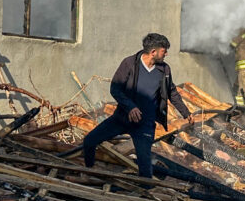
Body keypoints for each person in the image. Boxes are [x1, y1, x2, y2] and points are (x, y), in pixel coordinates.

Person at [79, 32, 191, 175]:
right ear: (153, 52)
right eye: (164, 51)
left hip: (145, 125)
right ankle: (89, 172)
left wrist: (186, 113)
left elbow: (172, 92)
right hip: (121, 119)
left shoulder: (164, 69)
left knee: (145, 166)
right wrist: (130, 107)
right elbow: (115, 88)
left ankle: (145, 191)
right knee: (89, 140)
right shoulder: (129, 63)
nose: (166, 54)